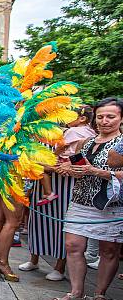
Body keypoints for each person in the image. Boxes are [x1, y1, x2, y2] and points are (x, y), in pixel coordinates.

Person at [50, 98, 123, 300]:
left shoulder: (121, 143)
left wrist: (98, 172)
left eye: (111, 116)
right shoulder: (86, 142)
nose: (104, 121)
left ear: (121, 118)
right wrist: (67, 169)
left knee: (109, 251)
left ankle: (100, 294)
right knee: (73, 246)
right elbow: (75, 165)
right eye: (100, 116)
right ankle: (76, 293)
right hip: (81, 200)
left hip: (110, 204)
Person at [20, 105, 95, 281]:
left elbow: (81, 157)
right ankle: (34, 258)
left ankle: (59, 267)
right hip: (44, 180)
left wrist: (64, 163)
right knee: (37, 221)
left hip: (67, 182)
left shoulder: (78, 133)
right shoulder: (38, 132)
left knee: (62, 225)